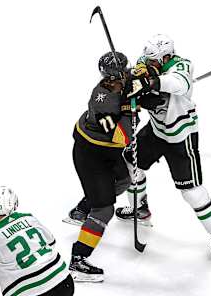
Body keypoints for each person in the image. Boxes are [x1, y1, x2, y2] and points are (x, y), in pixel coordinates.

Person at [117, 34, 211, 261]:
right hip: (157, 130)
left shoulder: (182, 65)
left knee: (191, 191)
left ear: (166, 56)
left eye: (154, 61)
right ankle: (140, 209)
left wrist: (150, 83)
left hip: (181, 136)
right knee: (131, 160)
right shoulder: (147, 61)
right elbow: (136, 74)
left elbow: (178, 83)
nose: (148, 63)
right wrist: (131, 85)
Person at [68, 51, 160, 282]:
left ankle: (85, 204)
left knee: (124, 180)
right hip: (91, 154)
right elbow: (122, 136)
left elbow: (138, 79)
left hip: (108, 151)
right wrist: (131, 108)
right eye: (110, 78)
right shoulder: (102, 101)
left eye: (117, 76)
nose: (113, 81)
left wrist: (146, 84)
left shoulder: (124, 79)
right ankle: (78, 260)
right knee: (105, 210)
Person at [0, 186, 74, 296]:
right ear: (15, 203)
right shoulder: (29, 218)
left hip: (31, 292)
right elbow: (51, 242)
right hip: (63, 281)